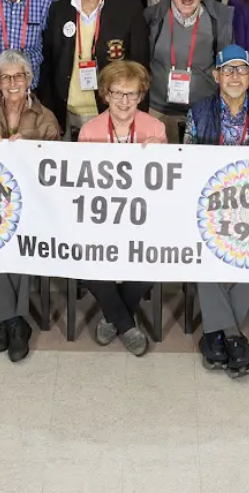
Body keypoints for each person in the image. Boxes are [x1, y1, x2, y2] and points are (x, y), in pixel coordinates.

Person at [182, 45, 249, 377]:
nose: (235, 76)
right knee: (201, 246)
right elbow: (188, 163)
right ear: (216, 76)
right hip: (210, 205)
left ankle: (215, 334)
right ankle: (233, 336)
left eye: (242, 70)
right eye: (228, 70)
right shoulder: (198, 113)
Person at [0, 50, 61, 362]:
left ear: (29, 79)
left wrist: (30, 151)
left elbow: (57, 169)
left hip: (32, 205)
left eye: (18, 76)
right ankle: (16, 323)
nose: (12, 82)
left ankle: (6, 322)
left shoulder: (45, 118)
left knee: (19, 239)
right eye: (5, 77)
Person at [73, 60, 165, 354]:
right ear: (105, 94)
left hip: (143, 220)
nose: (124, 101)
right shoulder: (89, 131)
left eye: (132, 94)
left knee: (153, 260)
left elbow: (168, 185)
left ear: (140, 96)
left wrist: (162, 155)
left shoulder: (155, 128)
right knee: (84, 259)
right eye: (117, 93)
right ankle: (125, 323)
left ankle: (112, 318)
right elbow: (79, 184)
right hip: (100, 220)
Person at [41, 0, 149, 135]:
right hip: (66, 112)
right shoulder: (58, 10)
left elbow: (140, 67)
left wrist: (137, 115)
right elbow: (49, 64)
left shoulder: (129, 9)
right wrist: (50, 112)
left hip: (113, 112)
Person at [144, 0, 233, 140]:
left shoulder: (220, 20)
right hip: (158, 110)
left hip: (203, 111)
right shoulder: (151, 18)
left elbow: (227, 68)